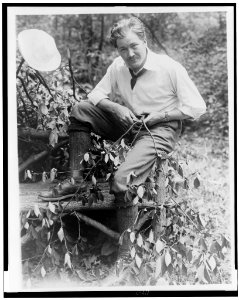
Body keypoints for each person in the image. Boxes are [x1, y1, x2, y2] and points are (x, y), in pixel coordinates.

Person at [41, 17, 206, 260]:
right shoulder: (118, 66)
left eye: (134, 46)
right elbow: (95, 94)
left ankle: (127, 257)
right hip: (131, 123)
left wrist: (160, 115)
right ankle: (76, 180)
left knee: (121, 181)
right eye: (122, 48)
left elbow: (197, 107)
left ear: (145, 41)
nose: (129, 53)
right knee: (81, 110)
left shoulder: (170, 68)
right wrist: (115, 108)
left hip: (161, 129)